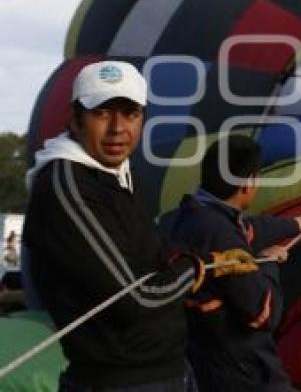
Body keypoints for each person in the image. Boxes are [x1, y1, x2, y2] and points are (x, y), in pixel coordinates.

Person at [23, 61, 257, 391]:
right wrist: (203, 267)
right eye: (102, 113)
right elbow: (136, 297)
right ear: (75, 119)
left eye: (130, 114)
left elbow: (152, 255)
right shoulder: (68, 185)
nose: (118, 128)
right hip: (120, 382)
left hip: (168, 369)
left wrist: (194, 279)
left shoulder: (119, 173)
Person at [162, 135, 301, 392]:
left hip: (202, 366)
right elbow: (263, 313)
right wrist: (268, 263)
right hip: (244, 375)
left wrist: (294, 224)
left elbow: (248, 228)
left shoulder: (184, 217)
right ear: (248, 184)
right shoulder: (221, 234)